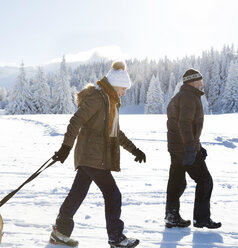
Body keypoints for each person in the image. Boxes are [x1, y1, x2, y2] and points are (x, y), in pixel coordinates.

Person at [50, 61, 146, 248]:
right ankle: (116, 238)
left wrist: (134, 149)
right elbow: (76, 120)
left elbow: (116, 132)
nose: (124, 93)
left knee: (77, 193)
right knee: (113, 194)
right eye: (123, 88)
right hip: (93, 156)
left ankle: (59, 233)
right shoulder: (98, 99)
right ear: (114, 84)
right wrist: (65, 147)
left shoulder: (110, 102)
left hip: (92, 157)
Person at [165, 68, 221, 229]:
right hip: (185, 148)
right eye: (200, 82)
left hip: (176, 147)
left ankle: (171, 216)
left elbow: (185, 126)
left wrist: (198, 146)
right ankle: (202, 219)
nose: (202, 85)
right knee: (205, 180)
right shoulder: (189, 97)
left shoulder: (179, 96)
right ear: (193, 82)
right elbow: (185, 124)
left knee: (177, 182)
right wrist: (191, 148)